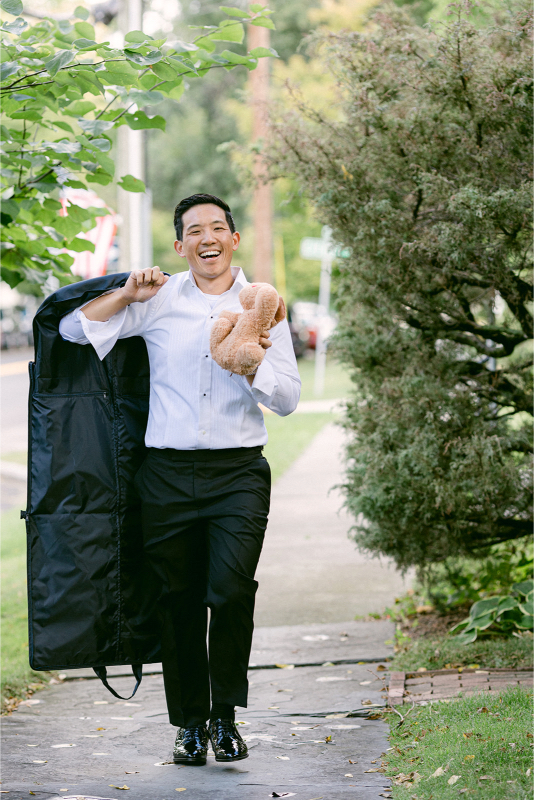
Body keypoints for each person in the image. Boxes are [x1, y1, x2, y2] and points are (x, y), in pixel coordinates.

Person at [59, 193, 301, 765]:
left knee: (231, 591)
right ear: (179, 245)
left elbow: (289, 398)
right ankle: (190, 724)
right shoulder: (159, 299)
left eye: (218, 227)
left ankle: (226, 716)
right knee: (179, 601)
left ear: (234, 239)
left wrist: (251, 357)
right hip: (164, 474)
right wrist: (125, 293)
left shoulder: (263, 305)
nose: (207, 238)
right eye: (195, 231)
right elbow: (73, 331)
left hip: (238, 473)